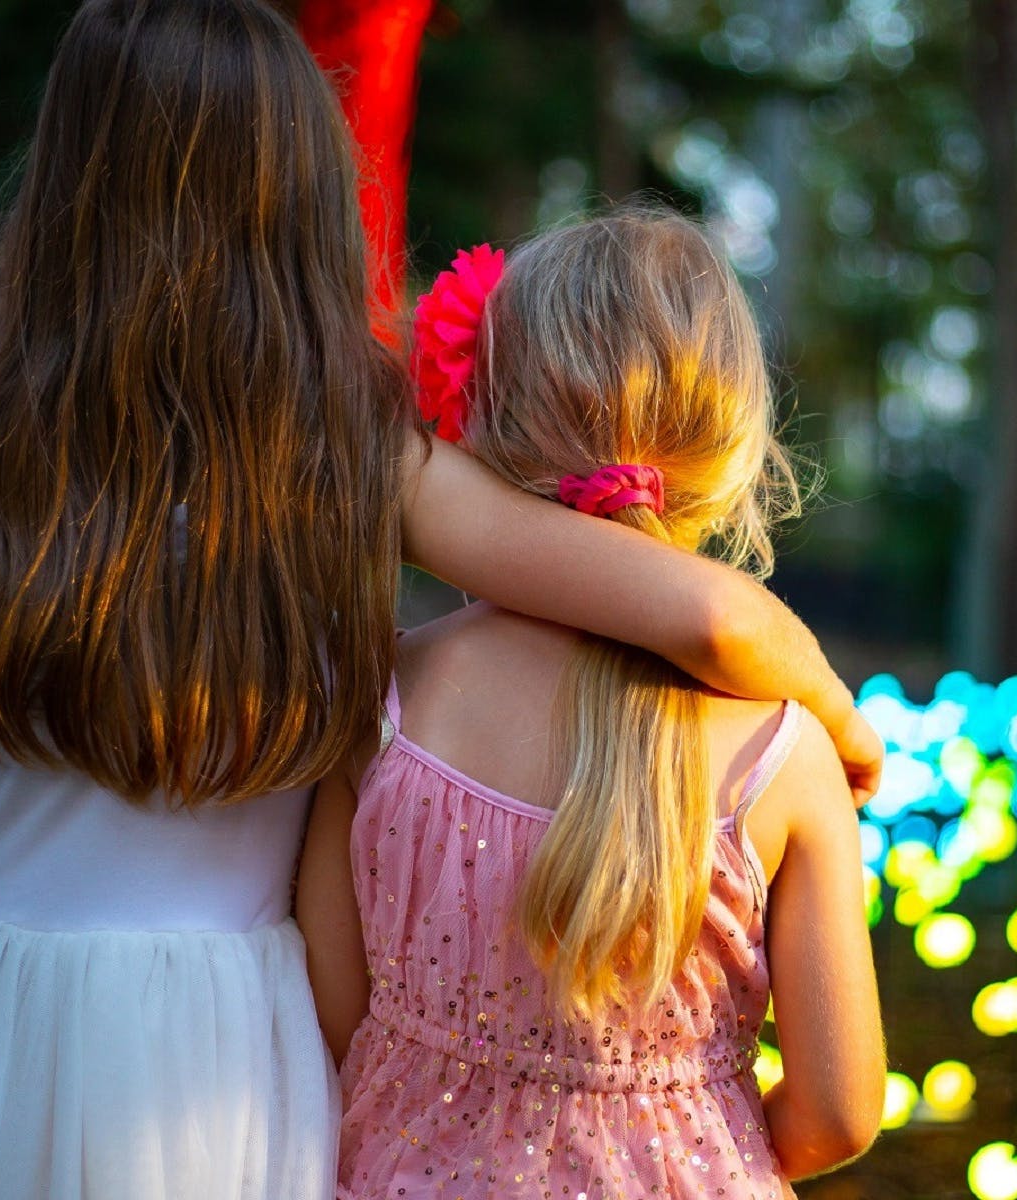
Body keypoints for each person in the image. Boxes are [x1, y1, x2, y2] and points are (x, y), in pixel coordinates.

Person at [0, 6, 880, 1199]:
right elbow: (713, 619)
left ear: (64, 184)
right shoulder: (355, 463)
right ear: (306, 206)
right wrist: (836, 724)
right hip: (209, 1059)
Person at [301, 208, 885, 1200]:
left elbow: (331, 1011)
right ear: (736, 439)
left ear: (478, 402)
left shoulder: (382, 708)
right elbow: (838, 1113)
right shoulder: (786, 757)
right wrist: (698, 1150)